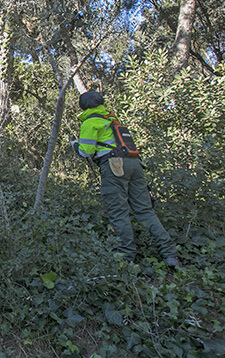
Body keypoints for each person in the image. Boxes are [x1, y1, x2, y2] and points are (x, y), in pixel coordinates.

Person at [72, 91, 181, 267]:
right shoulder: (113, 119)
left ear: (83, 107)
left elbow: (85, 152)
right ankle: (170, 254)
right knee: (145, 210)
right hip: (135, 164)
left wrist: (75, 145)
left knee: (118, 212)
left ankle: (125, 259)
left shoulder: (90, 122)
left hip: (114, 166)